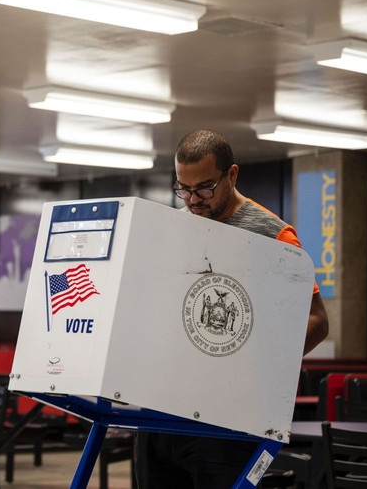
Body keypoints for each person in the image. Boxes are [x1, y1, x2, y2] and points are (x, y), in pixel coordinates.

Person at [134, 129, 329, 488]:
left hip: (227, 421)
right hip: (161, 412)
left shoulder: (273, 235)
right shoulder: (172, 228)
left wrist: (258, 367)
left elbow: (317, 320)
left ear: (232, 174)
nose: (194, 199)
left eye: (205, 187)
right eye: (184, 188)